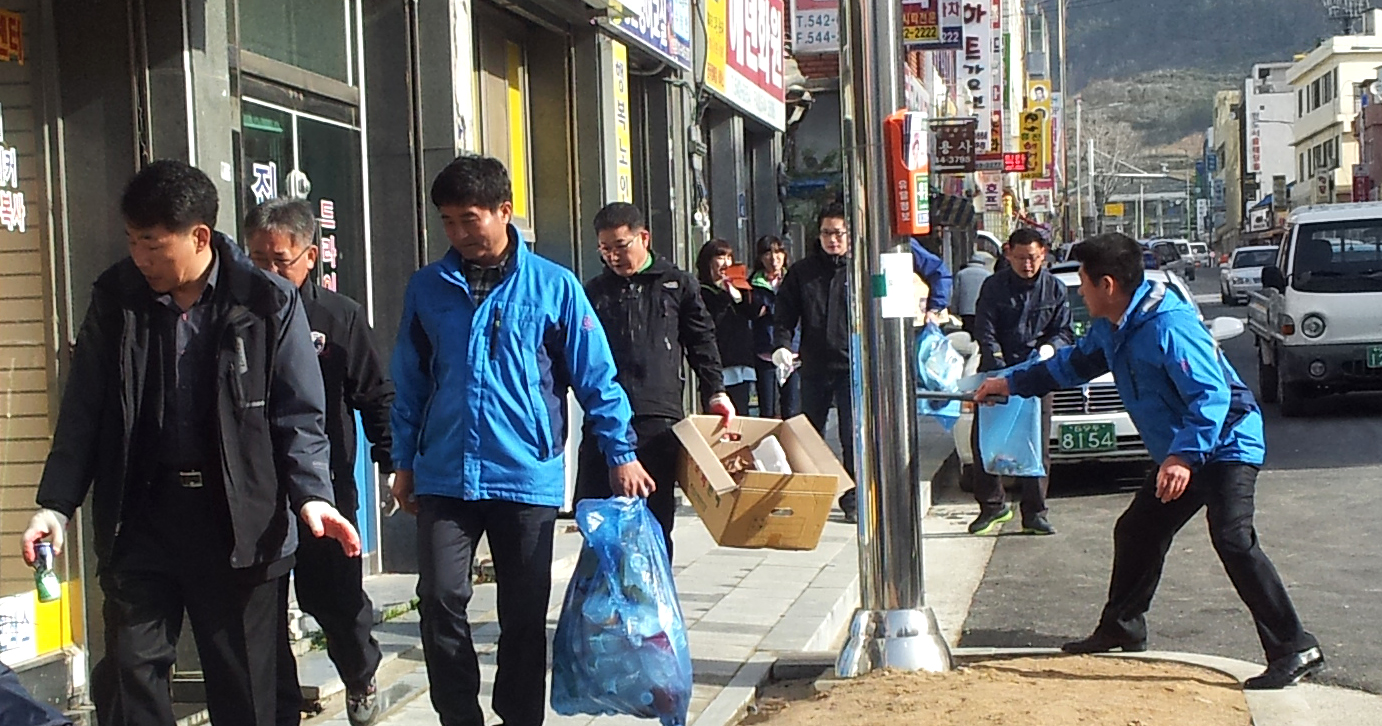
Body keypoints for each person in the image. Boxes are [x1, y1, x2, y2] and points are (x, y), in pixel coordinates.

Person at [20, 160, 360, 726]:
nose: (140, 258)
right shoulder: (116, 297)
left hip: (239, 521)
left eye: (152, 245)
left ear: (199, 236)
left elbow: (298, 414)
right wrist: (56, 505)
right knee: (133, 677)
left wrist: (313, 496)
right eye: (132, 242)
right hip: (143, 514)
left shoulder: (266, 300)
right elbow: (85, 411)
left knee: (247, 689)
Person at [973, 232, 1323, 691]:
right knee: (1138, 530)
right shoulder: (1112, 326)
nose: (1078, 290)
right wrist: (1008, 383)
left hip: (1225, 442)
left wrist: (1181, 456)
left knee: (1233, 539)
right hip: (1183, 450)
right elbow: (1069, 366)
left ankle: (1294, 647)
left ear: (1108, 285)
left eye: (1082, 280)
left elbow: (1211, 396)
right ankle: (1123, 627)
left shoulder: (1168, 325)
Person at [389, 155, 656, 726]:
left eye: (470, 218)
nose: (460, 233)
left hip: (525, 475)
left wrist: (621, 453)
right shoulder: (427, 287)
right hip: (444, 472)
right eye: (448, 222)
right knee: (438, 600)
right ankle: (458, 715)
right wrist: (403, 460)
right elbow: (410, 380)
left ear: (504, 212)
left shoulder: (553, 287)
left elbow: (595, 376)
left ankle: (519, 718)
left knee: (523, 613)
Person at [245, 198, 392, 726]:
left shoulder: (337, 316)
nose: (267, 270)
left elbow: (376, 395)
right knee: (258, 616)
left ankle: (359, 672)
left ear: (310, 257)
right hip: (256, 491)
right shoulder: (234, 313)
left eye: (279, 259)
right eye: (256, 257)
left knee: (333, 600)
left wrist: (392, 462)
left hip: (323, 488)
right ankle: (280, 707)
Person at [773, 203, 956, 522]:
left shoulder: (867, 267)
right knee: (807, 433)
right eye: (827, 233)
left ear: (851, 233)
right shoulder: (803, 272)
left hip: (853, 366)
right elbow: (785, 314)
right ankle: (806, 494)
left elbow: (937, 270)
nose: (833, 240)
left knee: (852, 434)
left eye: (839, 233)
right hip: (815, 365)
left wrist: (935, 308)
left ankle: (853, 497)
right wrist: (783, 346)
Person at [578, 202, 732, 558]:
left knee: (654, 521)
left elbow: (701, 341)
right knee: (599, 519)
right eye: (605, 249)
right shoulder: (595, 292)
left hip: (658, 419)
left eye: (620, 245)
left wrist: (716, 393)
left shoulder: (676, 284)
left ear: (643, 237)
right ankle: (603, 606)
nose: (614, 256)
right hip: (604, 418)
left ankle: (653, 606)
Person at [967, 228, 1072, 537]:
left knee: (1036, 444)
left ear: (1044, 255)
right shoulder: (993, 287)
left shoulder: (1054, 289)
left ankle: (1035, 511)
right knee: (986, 442)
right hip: (998, 372)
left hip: (1038, 373)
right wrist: (1000, 368)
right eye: (1021, 258)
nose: (1028, 265)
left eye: (1034, 258)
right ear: (1008, 253)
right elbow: (984, 330)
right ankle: (992, 505)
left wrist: (1051, 347)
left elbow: (1065, 331)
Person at [697, 239, 760, 415]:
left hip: (740, 360)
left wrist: (737, 293)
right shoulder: (701, 291)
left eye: (729, 257)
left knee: (741, 415)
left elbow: (756, 311)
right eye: (720, 257)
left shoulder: (739, 287)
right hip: (717, 362)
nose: (726, 262)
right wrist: (724, 294)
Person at [749, 235, 800, 418]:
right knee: (767, 411)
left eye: (778, 252)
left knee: (792, 410)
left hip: (792, 354)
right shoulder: (751, 284)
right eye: (768, 253)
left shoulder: (793, 279)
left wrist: (769, 309)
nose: (774, 258)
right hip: (765, 353)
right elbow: (752, 311)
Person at [952, 250, 995, 333]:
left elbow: (956, 293)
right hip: (982, 309)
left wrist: (954, 308)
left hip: (965, 309)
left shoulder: (961, 274)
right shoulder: (988, 275)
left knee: (967, 329)